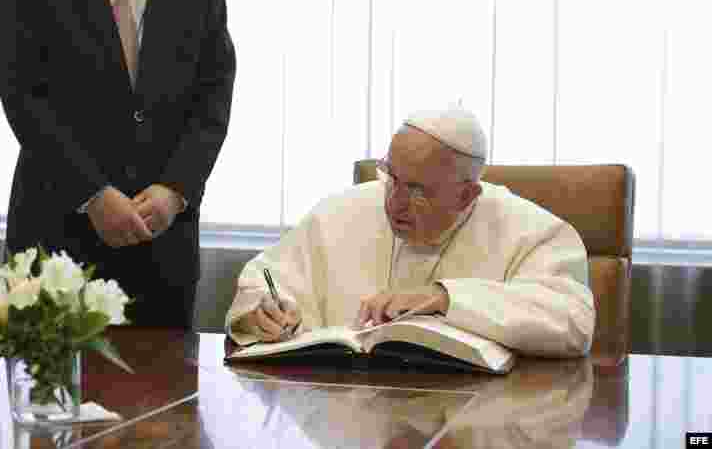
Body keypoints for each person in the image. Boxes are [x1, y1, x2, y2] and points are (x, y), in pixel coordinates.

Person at [0, 0, 236, 329]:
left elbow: (213, 101)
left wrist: (176, 188)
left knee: (166, 403)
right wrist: (93, 193)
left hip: (161, 244)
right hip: (59, 235)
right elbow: (25, 100)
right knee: (53, 401)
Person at [225, 106, 595, 357]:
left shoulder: (532, 231)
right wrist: (263, 312)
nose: (395, 203)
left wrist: (445, 299)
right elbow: (267, 277)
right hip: (352, 409)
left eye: (418, 190)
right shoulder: (342, 210)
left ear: (467, 194)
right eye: (392, 178)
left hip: (473, 422)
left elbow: (572, 320)